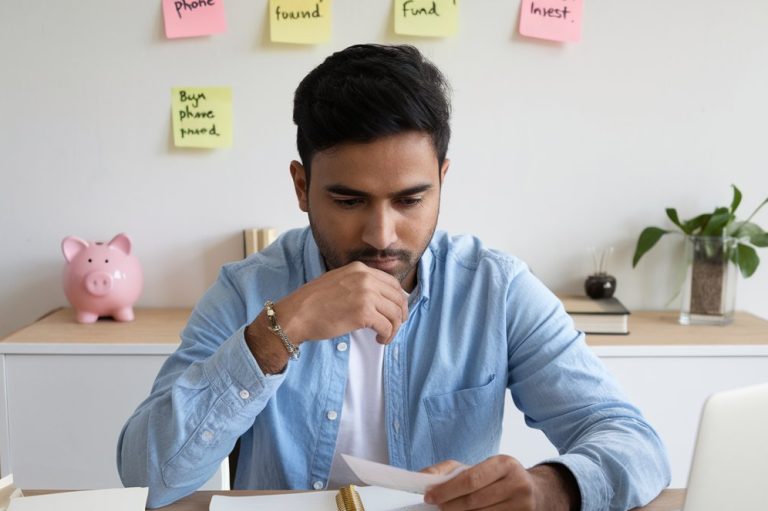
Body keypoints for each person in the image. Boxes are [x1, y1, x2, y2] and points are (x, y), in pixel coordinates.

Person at [118, 44, 670, 510]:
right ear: (301, 187)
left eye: (410, 199)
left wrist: (552, 489)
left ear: (442, 179)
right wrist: (275, 332)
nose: (382, 235)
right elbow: (144, 474)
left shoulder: (495, 290)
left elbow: (636, 444)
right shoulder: (247, 290)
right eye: (348, 199)